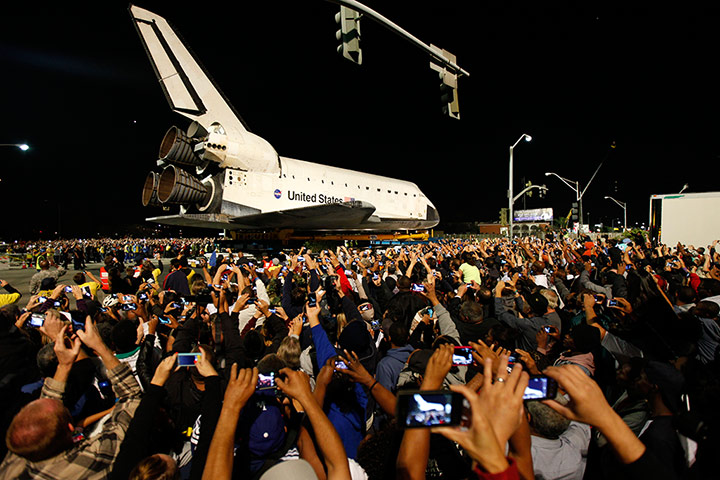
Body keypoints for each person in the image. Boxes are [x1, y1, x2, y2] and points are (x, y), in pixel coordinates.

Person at [1, 318, 142, 480]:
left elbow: (45, 409)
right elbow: (132, 398)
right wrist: (100, 347)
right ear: (71, 428)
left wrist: (64, 365)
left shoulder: (16, 458)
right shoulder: (88, 459)